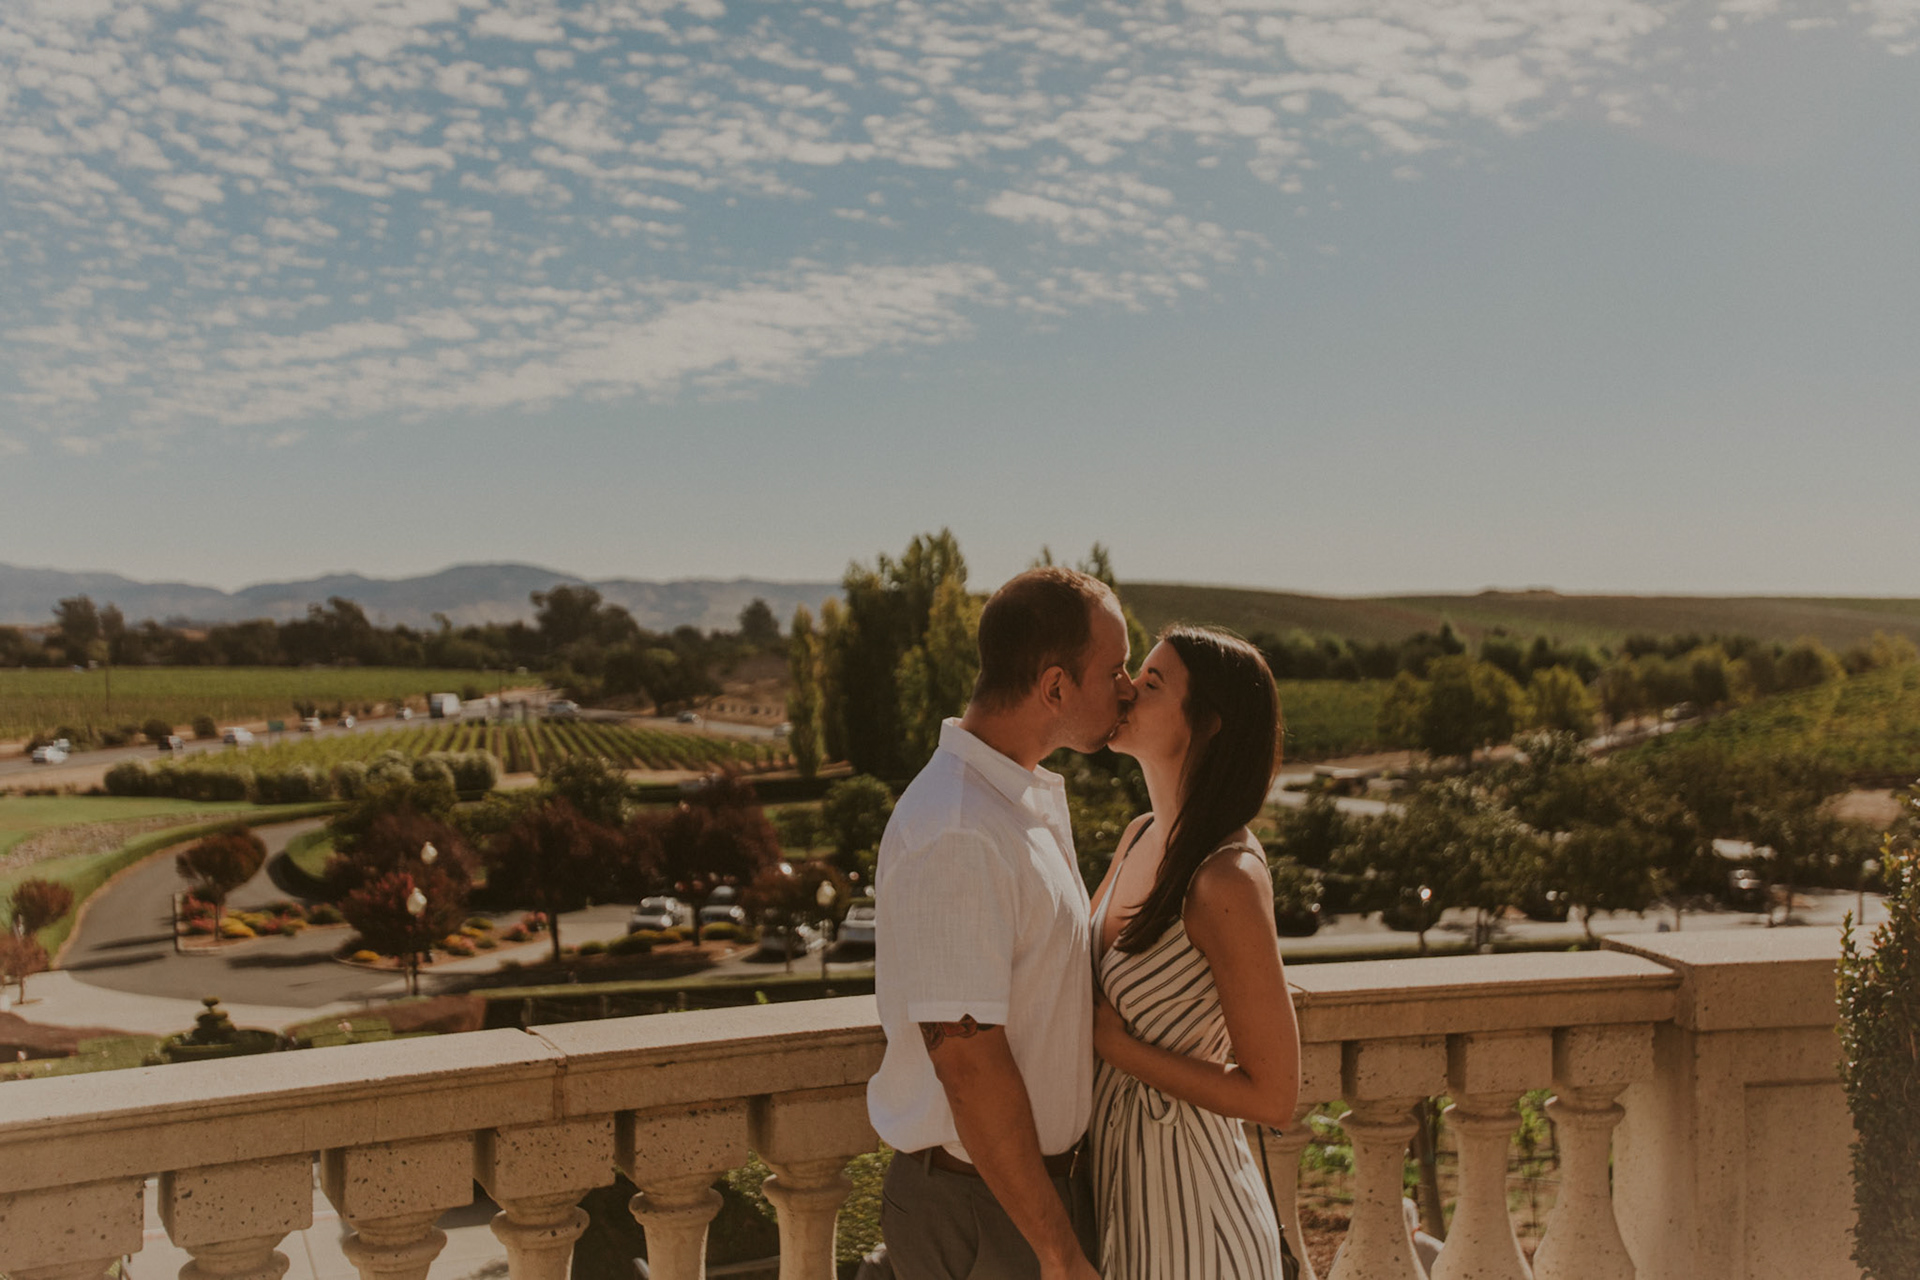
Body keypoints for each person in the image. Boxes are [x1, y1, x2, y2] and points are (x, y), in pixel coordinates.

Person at [869, 566, 1134, 1280]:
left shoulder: (1009, 803)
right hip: (987, 1210)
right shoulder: (958, 830)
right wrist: (1058, 1250)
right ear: (1055, 687)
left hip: (1017, 1197)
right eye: (1115, 669)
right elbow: (966, 1063)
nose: (1128, 687)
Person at [1088, 626, 1303, 1279]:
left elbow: (1274, 1095)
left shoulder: (1225, 878)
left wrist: (1120, 1050)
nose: (1127, 691)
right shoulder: (1138, 836)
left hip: (1195, 1214)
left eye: (1151, 683)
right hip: (1121, 1193)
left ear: (1207, 723)